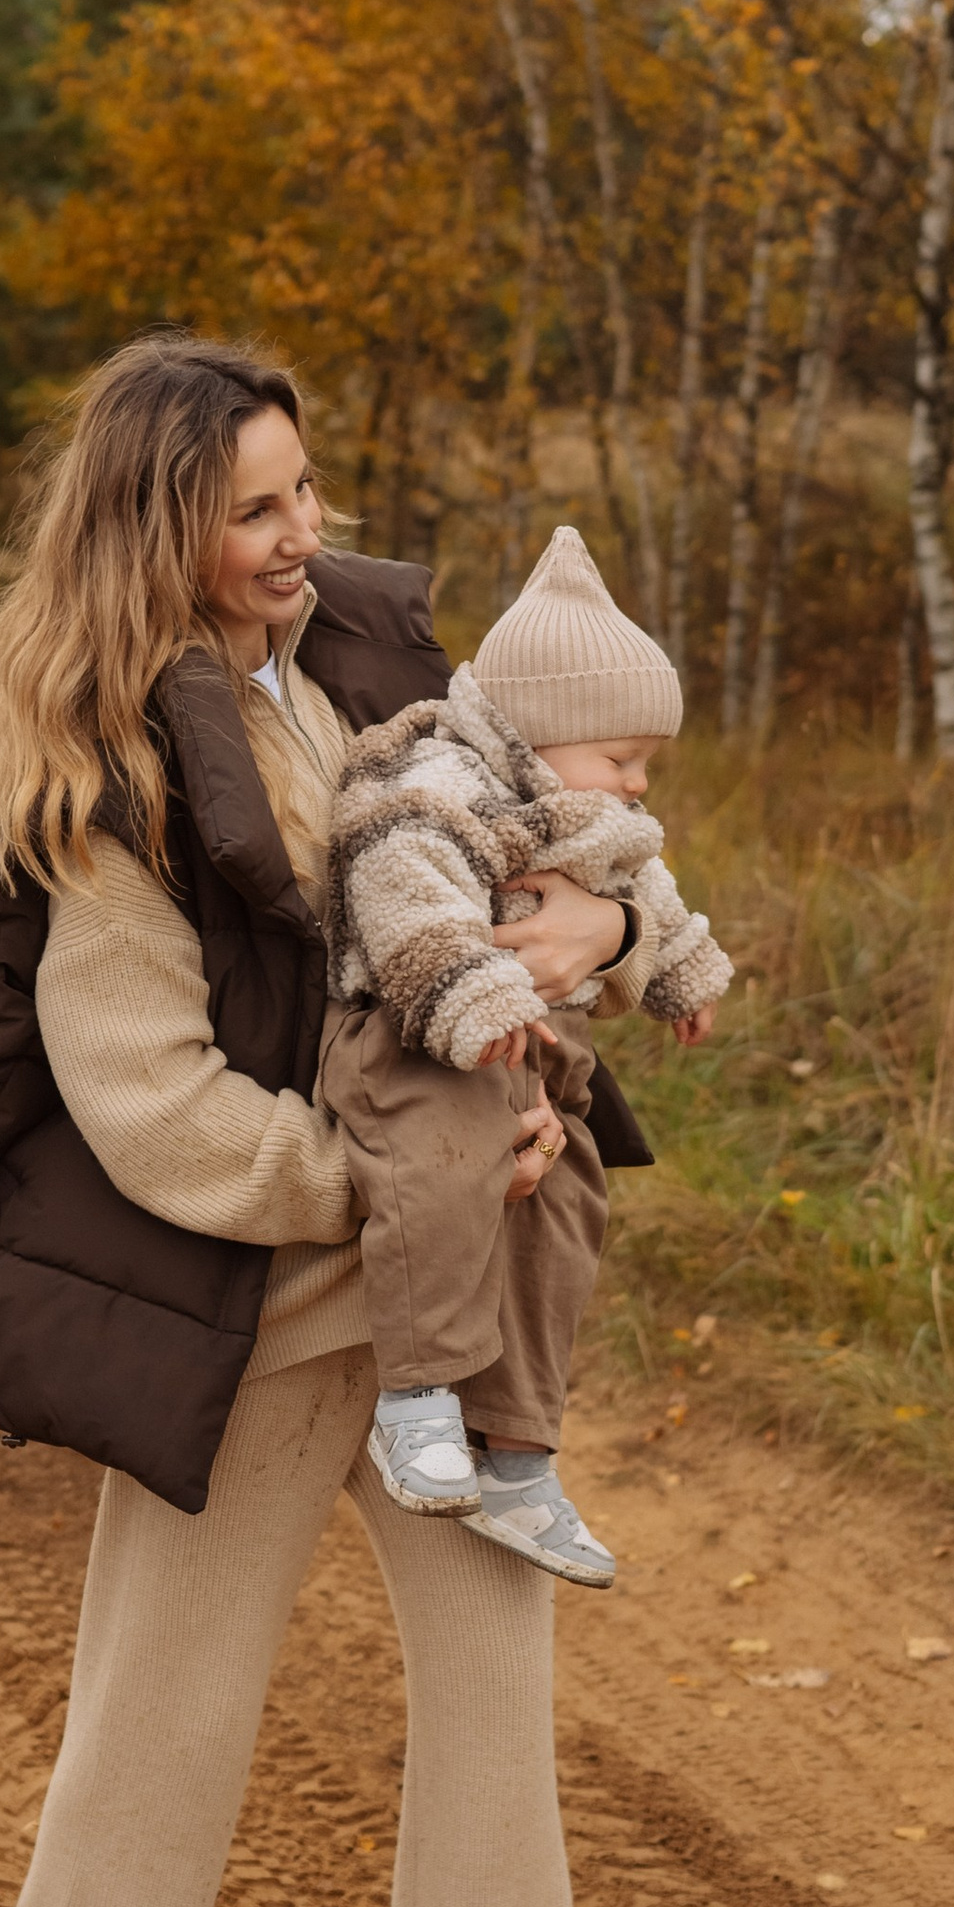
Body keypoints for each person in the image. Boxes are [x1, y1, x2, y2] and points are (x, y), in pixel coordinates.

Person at [0, 334, 654, 1907]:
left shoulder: (381, 681)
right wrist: (394, 1185)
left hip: (453, 1319)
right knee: (151, 1717)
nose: (301, 537)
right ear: (163, 525)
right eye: (255, 509)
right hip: (258, 1320)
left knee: (495, 1725)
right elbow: (154, 1111)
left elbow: (581, 852)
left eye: (304, 494)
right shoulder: (103, 785)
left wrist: (612, 933)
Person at [324, 525, 731, 1585]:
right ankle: (415, 1398)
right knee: (443, 1169)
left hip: (539, 1052)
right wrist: (472, 989)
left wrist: (677, 967)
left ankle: (518, 1451)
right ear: (536, 732)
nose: (637, 786)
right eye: (622, 760)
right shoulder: (435, 785)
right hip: (420, 1041)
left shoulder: (583, 812)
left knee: (567, 1199)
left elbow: (645, 889)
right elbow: (401, 888)